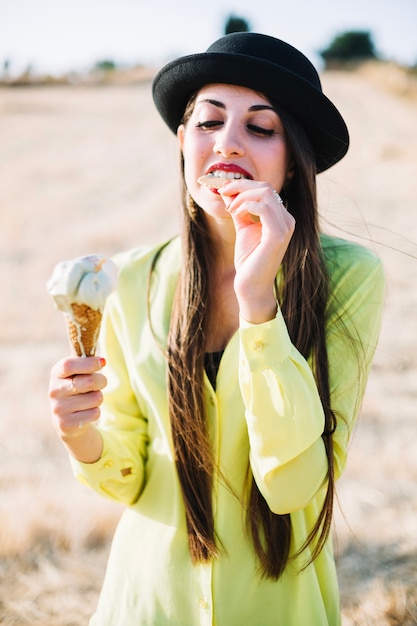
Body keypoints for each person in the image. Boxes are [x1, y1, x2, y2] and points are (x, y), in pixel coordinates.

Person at [49, 32, 385, 625]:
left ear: (294, 157)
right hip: (145, 603)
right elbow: (130, 480)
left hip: (278, 605)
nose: (227, 142)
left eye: (260, 127)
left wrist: (260, 306)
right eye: (207, 123)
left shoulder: (349, 278)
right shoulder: (129, 278)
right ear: (182, 142)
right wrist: (82, 434)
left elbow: (292, 488)